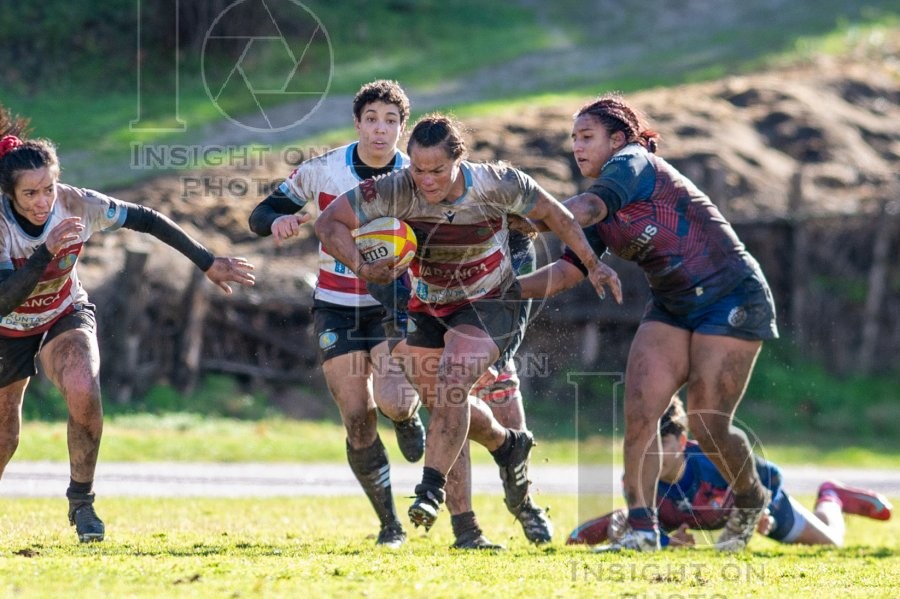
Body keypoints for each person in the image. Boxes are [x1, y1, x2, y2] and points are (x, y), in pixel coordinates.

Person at [314, 113, 621, 536]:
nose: (425, 180)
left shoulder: (498, 183)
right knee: (445, 402)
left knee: (455, 381)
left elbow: (557, 215)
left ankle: (434, 489)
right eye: (418, 169)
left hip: (489, 301)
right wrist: (361, 266)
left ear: (459, 159)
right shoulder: (395, 188)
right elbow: (328, 222)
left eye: (437, 170)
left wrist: (593, 264)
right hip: (429, 304)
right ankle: (486, 489)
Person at [516, 92, 778, 551]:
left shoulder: (631, 164)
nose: (577, 147)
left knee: (706, 423)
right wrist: (497, 288)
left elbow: (586, 211)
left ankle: (751, 498)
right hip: (673, 304)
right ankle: (641, 530)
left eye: (587, 137)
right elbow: (566, 272)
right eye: (573, 138)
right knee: (641, 412)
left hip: (731, 293)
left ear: (618, 139)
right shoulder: (598, 196)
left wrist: (513, 221)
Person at [0, 112, 256, 543]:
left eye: (48, 188)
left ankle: (82, 502)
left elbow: (147, 218)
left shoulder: (77, 203)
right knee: (6, 433)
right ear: (8, 193)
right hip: (8, 327)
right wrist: (46, 253)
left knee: (84, 389)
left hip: (63, 313)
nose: (43, 201)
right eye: (30, 194)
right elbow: (5, 298)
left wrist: (208, 260)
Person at [248, 80, 426, 548]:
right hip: (336, 305)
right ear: (357, 123)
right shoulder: (324, 171)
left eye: (391, 121)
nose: (380, 130)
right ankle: (390, 523)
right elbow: (261, 212)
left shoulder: (417, 175)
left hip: (394, 305)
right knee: (357, 416)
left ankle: (407, 418)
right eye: (372, 119)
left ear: (402, 128)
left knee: (393, 402)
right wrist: (279, 221)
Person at [567, 397, 894, 548]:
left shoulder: (712, 458)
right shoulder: (635, 478)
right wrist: (669, 541)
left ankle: (832, 496)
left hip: (758, 506)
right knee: (625, 525)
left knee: (831, 542)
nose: (648, 455)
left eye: (659, 444)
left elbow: (772, 476)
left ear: (682, 441)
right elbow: (639, 529)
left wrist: (756, 509)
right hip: (693, 516)